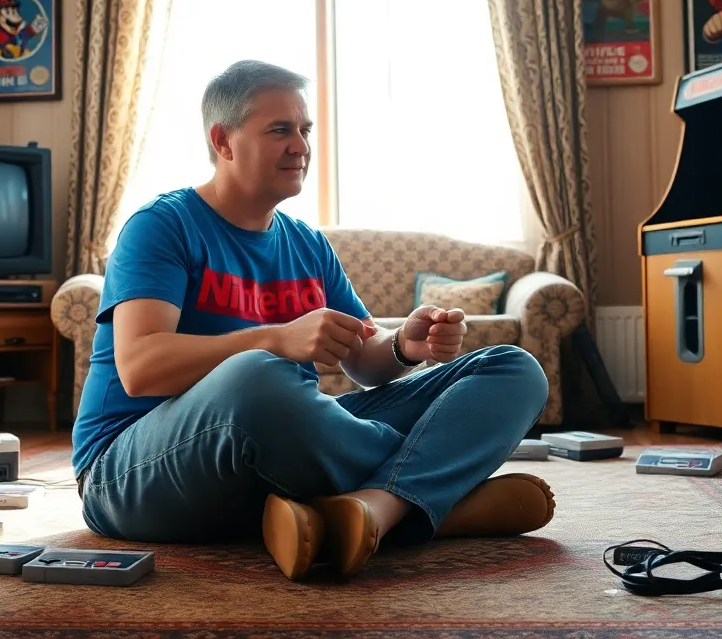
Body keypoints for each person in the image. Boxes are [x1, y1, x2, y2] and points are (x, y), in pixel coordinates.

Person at [71, 60, 555, 581]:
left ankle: (372, 508)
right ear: (223, 141)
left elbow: (366, 364)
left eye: (304, 130)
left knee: (512, 369)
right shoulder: (162, 226)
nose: (301, 146)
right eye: (280, 130)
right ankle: (435, 491)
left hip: (281, 447)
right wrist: (277, 340)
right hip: (129, 471)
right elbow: (140, 367)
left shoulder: (306, 243)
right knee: (259, 375)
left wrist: (403, 347)